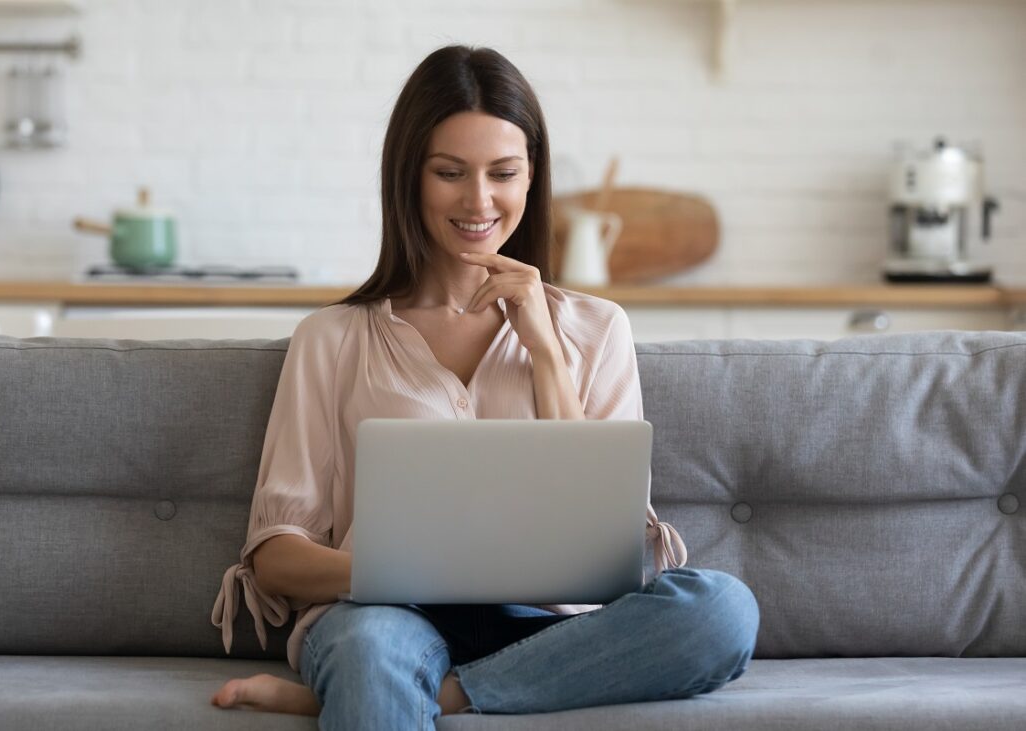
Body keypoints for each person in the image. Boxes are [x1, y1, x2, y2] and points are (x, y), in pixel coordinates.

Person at [209, 44, 759, 728]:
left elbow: (605, 542)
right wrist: (402, 569)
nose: (479, 201)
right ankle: (388, 682)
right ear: (409, 178)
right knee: (372, 650)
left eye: (503, 172)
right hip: (384, 617)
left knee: (724, 608)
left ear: (533, 178)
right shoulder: (333, 338)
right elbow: (275, 557)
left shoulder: (598, 327)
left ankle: (435, 694)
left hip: (551, 628)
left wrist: (546, 354)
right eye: (449, 173)